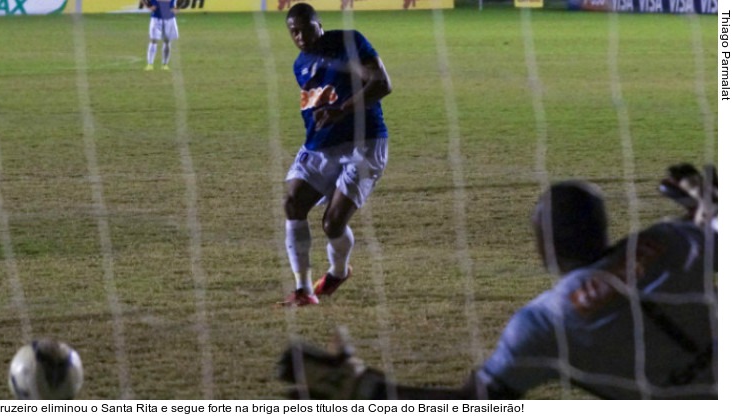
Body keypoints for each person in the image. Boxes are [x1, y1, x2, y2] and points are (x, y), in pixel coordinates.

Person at [279, 164, 717, 399]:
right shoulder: (671, 240)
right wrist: (707, 201)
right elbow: (709, 228)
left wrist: (366, 388)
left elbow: (474, 401)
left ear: (543, 248)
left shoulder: (545, 323)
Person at [279, 3, 392, 307]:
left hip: (364, 144)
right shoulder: (299, 65)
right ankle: (303, 289)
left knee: (333, 224)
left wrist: (342, 110)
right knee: (292, 202)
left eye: (306, 28)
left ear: (319, 25)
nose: (300, 37)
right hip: (321, 147)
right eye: (294, 32)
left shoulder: (349, 42)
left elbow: (382, 84)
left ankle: (338, 272)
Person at [143, 0, 178, 71]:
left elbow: (173, 6)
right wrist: (148, 6)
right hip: (156, 19)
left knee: (167, 41)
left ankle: (165, 64)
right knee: (154, 40)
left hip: (169, 18)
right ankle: (150, 64)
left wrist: (175, 8)